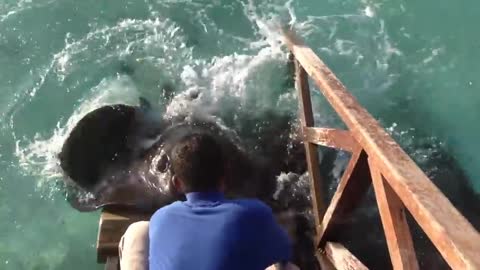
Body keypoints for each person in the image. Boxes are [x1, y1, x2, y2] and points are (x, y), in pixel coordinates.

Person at [146, 132, 295, 270]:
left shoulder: (160, 217)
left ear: (176, 183)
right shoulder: (253, 213)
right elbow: (285, 251)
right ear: (224, 175)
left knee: (138, 230)